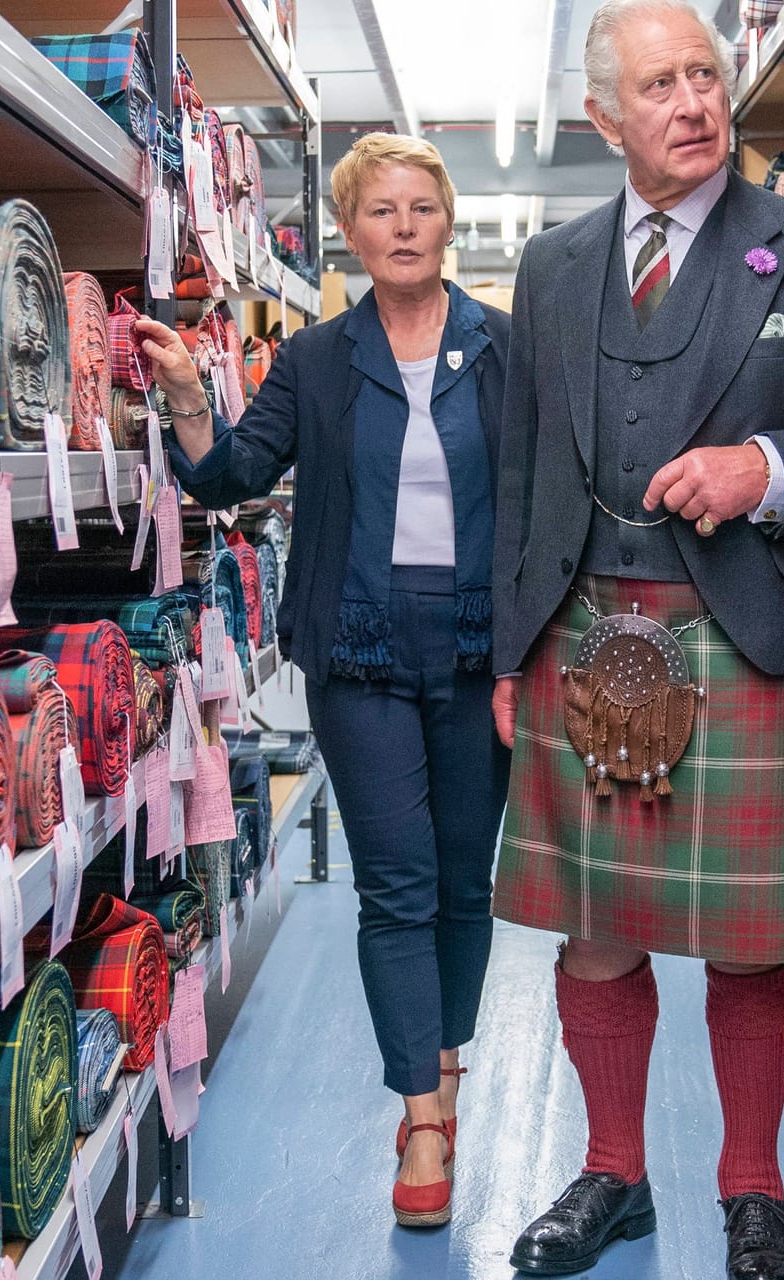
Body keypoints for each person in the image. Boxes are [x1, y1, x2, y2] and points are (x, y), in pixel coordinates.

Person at [487, 0, 784, 1274]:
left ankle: (753, 1185)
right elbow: (521, 474)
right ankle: (612, 1172)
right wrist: (513, 648)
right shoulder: (552, 268)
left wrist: (764, 468)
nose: (693, 102)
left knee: (750, 936)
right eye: (660, 84)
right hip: (583, 628)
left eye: (705, 76)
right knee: (597, 927)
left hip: (746, 634)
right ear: (603, 119)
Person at [137, 133, 514, 1230]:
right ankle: (425, 1114)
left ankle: (441, 1055)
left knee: (462, 879)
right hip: (356, 646)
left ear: (449, 222)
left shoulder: (502, 347)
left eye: (421, 206)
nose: (403, 225)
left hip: (481, 642)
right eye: (380, 210)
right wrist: (188, 399)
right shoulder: (313, 358)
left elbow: (542, 490)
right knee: (396, 881)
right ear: (350, 235)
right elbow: (233, 474)